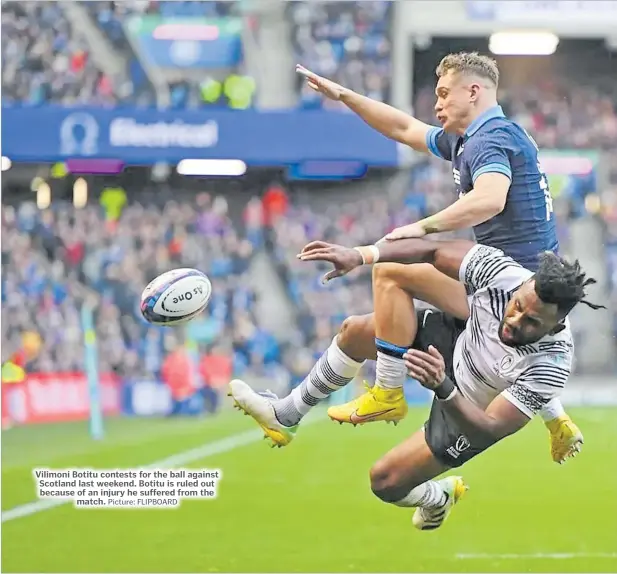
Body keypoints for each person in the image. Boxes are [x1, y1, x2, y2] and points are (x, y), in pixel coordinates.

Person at [287, 51, 584, 456]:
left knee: (391, 268)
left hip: (509, 286)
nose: (437, 103)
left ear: (474, 91)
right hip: (520, 280)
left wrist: (423, 227)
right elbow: (404, 127)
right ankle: (555, 415)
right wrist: (345, 96)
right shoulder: (477, 136)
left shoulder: (490, 140)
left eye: (445, 93)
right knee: (381, 313)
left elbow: (490, 198)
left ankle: (388, 390)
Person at [230, 237, 603, 529]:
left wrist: (444, 386)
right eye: (517, 305)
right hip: (455, 345)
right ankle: (290, 414)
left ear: (554, 326)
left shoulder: (552, 362)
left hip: (467, 409)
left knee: (385, 483)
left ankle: (437, 497)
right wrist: (360, 255)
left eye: (531, 323)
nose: (514, 320)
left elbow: (490, 428)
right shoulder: (503, 275)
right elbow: (432, 248)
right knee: (361, 322)